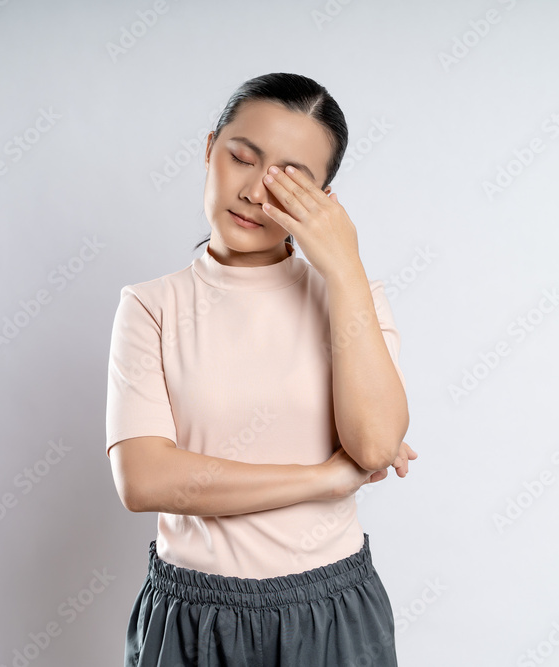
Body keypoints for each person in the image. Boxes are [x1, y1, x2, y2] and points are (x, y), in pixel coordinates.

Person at [106, 72, 417, 666]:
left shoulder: (353, 298)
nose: (254, 192)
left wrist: (343, 266)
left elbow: (376, 446)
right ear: (209, 150)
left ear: (324, 201)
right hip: (193, 617)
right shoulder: (151, 306)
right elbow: (143, 481)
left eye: (288, 181)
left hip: (331, 612)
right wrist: (324, 479)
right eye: (242, 159)